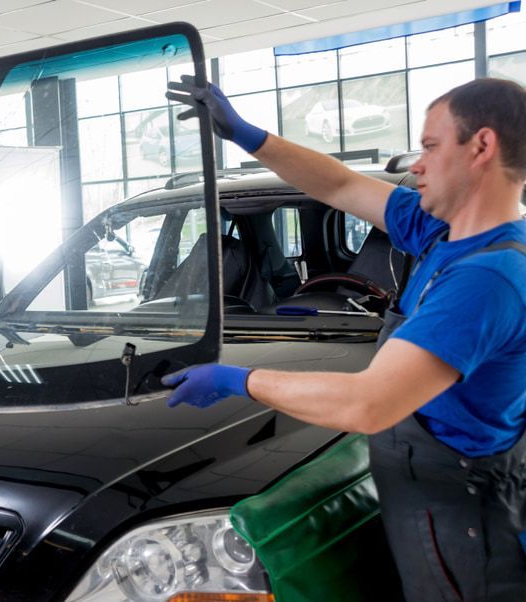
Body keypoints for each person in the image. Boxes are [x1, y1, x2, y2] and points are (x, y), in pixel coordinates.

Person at [163, 77, 526, 601]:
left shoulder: (485, 280)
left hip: (469, 537)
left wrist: (239, 380)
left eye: (429, 146)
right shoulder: (442, 234)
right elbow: (337, 186)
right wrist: (246, 134)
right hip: (435, 510)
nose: (417, 164)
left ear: (482, 147)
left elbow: (369, 403)